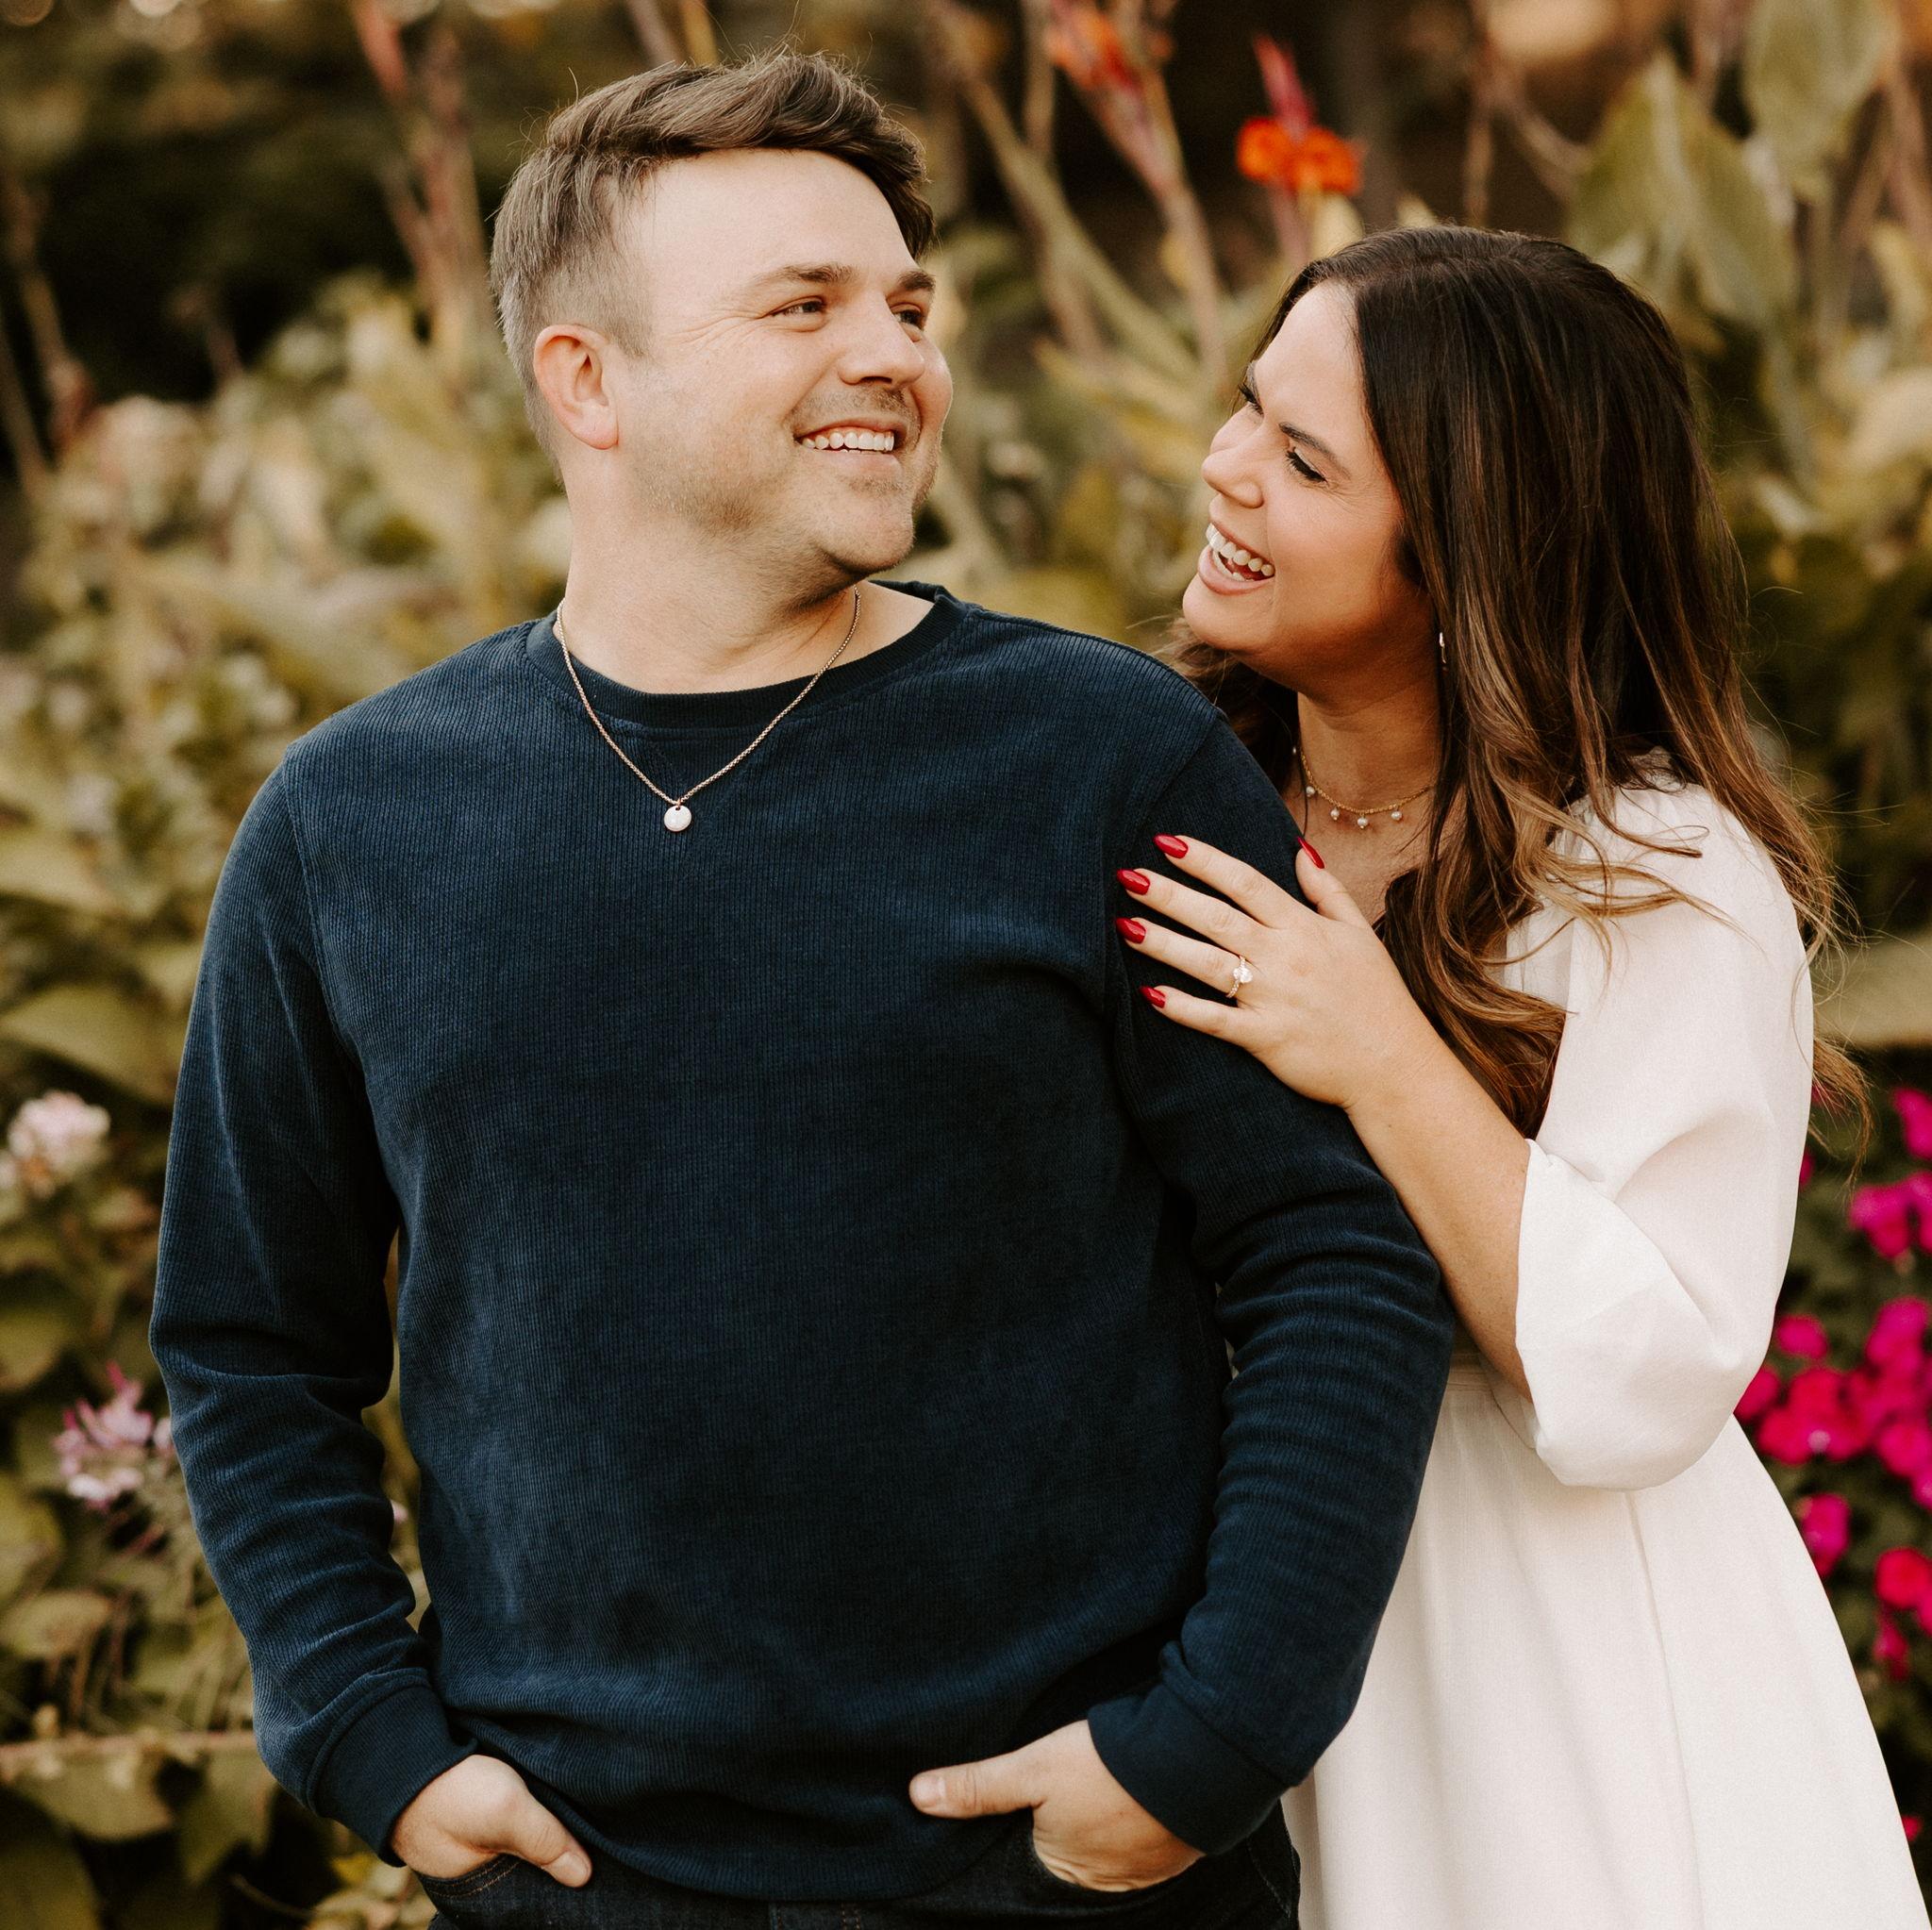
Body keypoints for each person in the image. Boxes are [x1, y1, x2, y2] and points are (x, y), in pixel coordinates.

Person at [146, 53, 1453, 1930]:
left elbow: (1331, 1252)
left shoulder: (1104, 760)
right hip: (579, 1885)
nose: (895, 355)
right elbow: (253, 1343)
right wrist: (371, 1742)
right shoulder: (353, 823)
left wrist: (1201, 1747)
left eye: (907, 304)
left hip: (1058, 1876)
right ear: (584, 382)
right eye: (802, 307)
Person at [1108, 223, 1930, 1930]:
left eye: (1302, 458)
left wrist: (1377, 1042)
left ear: (1469, 553)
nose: (1225, 466)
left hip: (1546, 1655)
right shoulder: (1160, 800)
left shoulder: (1659, 877)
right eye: (1248, 410)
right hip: (1224, 1604)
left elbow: (1647, 1373)